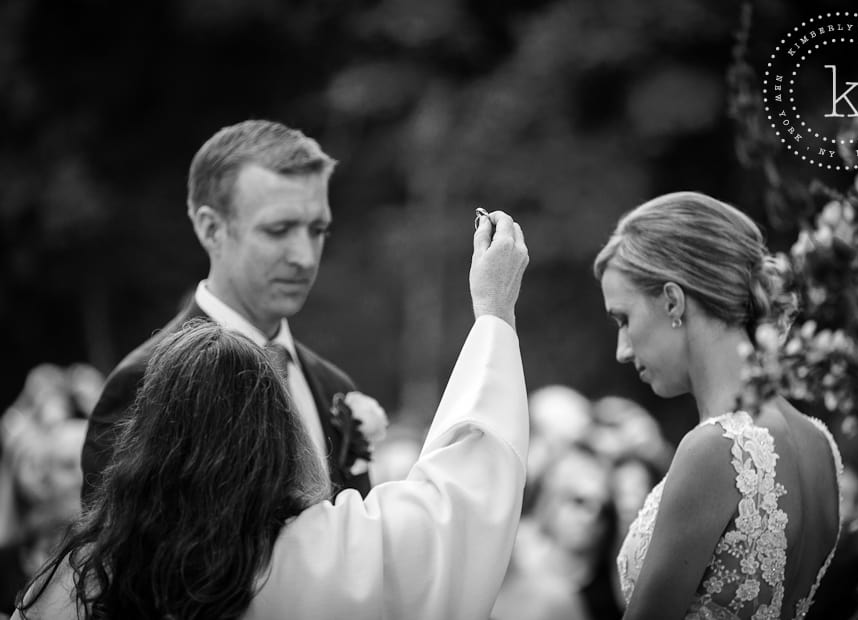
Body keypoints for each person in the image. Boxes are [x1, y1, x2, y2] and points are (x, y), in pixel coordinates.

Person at [15, 209, 530, 619]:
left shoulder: (83, 580)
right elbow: (456, 509)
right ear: (278, 437)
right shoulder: (324, 557)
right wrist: (494, 315)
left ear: (147, 443)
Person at [81, 120, 375, 502]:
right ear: (211, 229)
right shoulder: (142, 385)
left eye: (317, 230)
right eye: (278, 229)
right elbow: (121, 555)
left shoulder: (336, 389)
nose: (304, 258)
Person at [596, 192, 843, 619]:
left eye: (623, 319)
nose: (621, 349)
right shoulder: (820, 443)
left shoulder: (715, 449)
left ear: (673, 301)